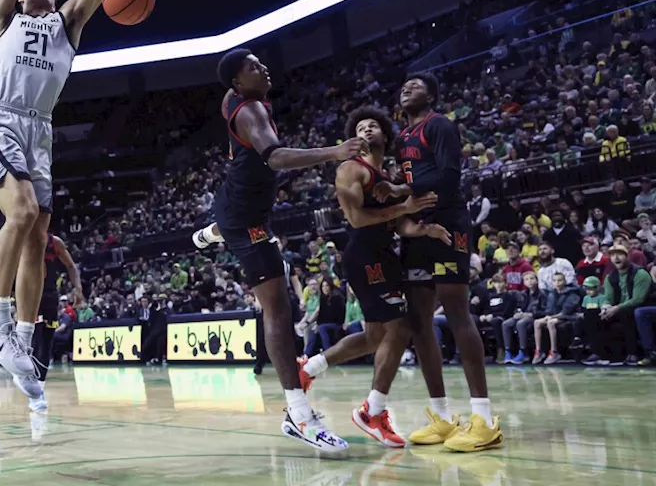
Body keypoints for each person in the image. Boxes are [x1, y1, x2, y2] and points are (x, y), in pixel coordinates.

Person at [0, 0, 145, 379]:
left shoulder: (68, 23)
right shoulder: (4, 21)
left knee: (38, 239)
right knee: (23, 211)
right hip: (2, 119)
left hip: (41, 131)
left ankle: (24, 344)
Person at [189, 48, 364, 452]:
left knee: (275, 291)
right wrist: (334, 152)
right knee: (278, 308)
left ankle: (215, 230)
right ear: (237, 82)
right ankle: (299, 415)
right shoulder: (249, 110)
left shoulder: (232, 99)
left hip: (238, 204)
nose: (263, 67)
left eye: (260, 62)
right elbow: (277, 158)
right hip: (246, 220)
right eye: (253, 66)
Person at [296, 106, 449, 447]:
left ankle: (307, 369)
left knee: (373, 338)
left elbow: (398, 223)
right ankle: (372, 411)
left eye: (373, 125)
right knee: (401, 327)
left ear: (385, 135)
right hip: (365, 255)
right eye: (360, 126)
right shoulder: (351, 168)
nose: (366, 129)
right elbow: (357, 219)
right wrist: (404, 207)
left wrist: (423, 228)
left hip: (384, 254)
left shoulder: (388, 175)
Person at [395, 73, 502, 451]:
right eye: (404, 85)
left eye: (417, 85)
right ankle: (441, 416)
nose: (407, 87)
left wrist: (403, 191)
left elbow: (448, 174)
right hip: (420, 230)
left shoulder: (439, 125)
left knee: (457, 312)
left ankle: (484, 419)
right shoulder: (401, 138)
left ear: (432, 96)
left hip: (448, 222)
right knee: (418, 320)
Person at [18, 232, 84, 411]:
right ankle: (28, 381)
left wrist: (78, 289)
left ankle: (39, 389)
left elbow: (71, 265)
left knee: (46, 343)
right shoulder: (21, 236)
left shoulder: (55, 243)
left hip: (49, 296)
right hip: (29, 295)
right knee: (35, 340)